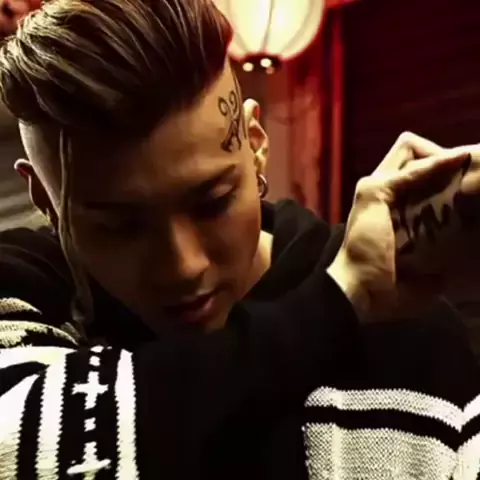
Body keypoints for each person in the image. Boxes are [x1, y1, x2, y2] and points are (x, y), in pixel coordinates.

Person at [0, 1, 479, 478]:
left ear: (256, 144)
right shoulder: (21, 293)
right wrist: (339, 305)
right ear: (44, 198)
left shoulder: (411, 329)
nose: (183, 266)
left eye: (212, 203)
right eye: (120, 227)